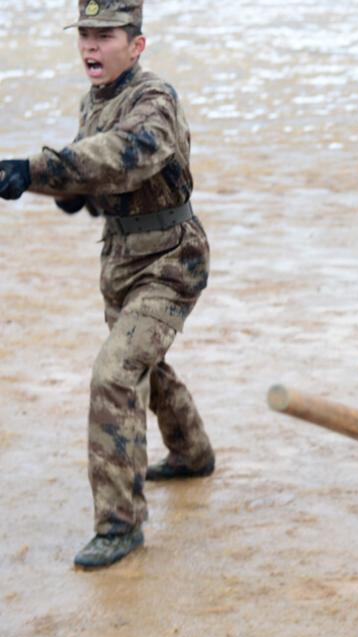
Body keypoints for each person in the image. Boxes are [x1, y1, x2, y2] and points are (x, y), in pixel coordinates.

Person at [0, 0, 215, 569]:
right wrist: (63, 191)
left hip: (171, 261)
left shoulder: (154, 99)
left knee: (114, 374)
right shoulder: (91, 103)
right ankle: (193, 453)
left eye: (105, 35)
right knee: (145, 362)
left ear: (136, 45)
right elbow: (91, 169)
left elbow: (129, 155)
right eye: (85, 35)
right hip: (121, 261)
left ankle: (119, 526)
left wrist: (39, 169)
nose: (91, 46)